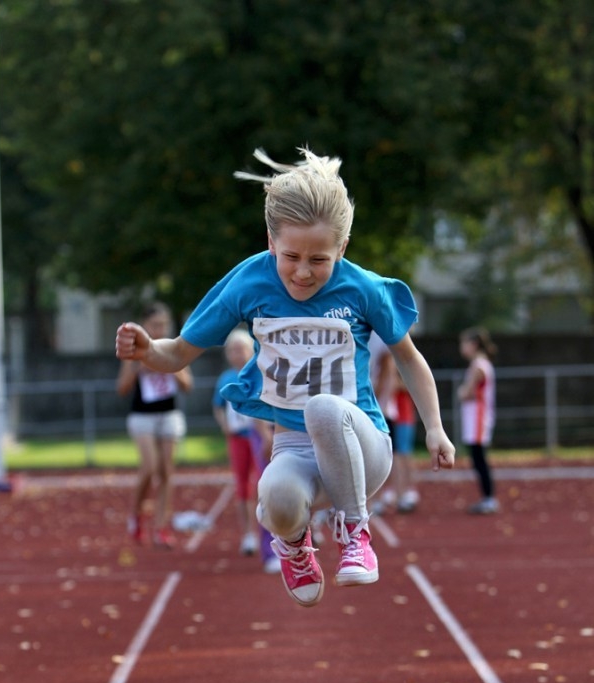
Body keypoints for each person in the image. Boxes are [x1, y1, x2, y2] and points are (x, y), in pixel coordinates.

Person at [116, 147, 455, 606]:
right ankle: (296, 548)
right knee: (272, 497)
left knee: (323, 407)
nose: (302, 272)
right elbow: (177, 353)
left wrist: (434, 427)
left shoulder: (362, 289)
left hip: (362, 445)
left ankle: (355, 531)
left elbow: (410, 359)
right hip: (295, 446)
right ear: (271, 242)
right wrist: (145, 351)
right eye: (291, 256)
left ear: (342, 248)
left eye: (319, 260)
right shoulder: (249, 282)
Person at [116, 302, 193, 547]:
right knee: (149, 467)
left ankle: (161, 527)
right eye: (154, 325)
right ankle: (136, 515)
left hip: (169, 414)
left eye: (163, 324)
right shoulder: (135, 349)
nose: (160, 329)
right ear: (145, 325)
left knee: (166, 473)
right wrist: (139, 366)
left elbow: (188, 385)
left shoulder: (175, 347)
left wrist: (172, 367)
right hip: (142, 416)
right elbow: (122, 389)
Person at [213, 328, 280, 573]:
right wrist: (264, 434)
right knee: (261, 488)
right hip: (257, 435)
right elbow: (253, 404)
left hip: (287, 431)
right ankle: (264, 545)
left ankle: (298, 538)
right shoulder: (249, 373)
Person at [369, 332, 420, 514]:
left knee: (396, 455)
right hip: (387, 412)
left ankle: (402, 493)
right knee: (392, 456)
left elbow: (395, 383)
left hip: (387, 413)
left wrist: (375, 396)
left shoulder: (394, 362)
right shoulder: (389, 360)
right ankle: (393, 494)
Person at [458, 326, 499, 514]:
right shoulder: (480, 364)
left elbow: (466, 392)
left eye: (464, 343)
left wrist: (462, 392)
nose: (462, 347)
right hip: (475, 417)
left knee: (479, 458)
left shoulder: (478, 366)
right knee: (477, 458)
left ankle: (489, 498)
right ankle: (487, 497)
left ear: (473, 345)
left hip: (478, 418)